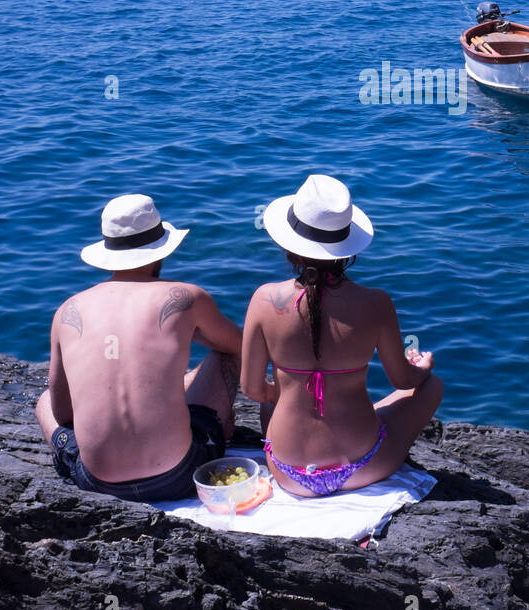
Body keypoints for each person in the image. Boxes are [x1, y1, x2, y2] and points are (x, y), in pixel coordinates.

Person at [242, 173, 443, 498]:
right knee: (432, 387)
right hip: (363, 465)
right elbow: (404, 382)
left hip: (289, 473)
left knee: (273, 403)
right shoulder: (376, 302)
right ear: (347, 248)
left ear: (290, 244)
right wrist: (424, 367)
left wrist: (285, 390)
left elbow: (252, 389)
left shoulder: (264, 300)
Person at [35, 194, 242, 502]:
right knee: (226, 354)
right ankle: (215, 429)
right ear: (160, 252)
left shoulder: (68, 310)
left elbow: (64, 412)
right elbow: (238, 345)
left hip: (96, 482)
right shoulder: (186, 297)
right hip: (180, 475)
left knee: (43, 400)